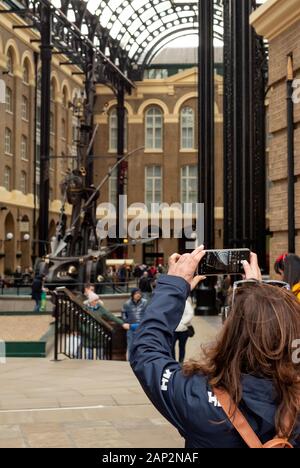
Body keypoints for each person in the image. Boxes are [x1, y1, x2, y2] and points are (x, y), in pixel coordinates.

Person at [130, 247, 300, 448]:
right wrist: (255, 296)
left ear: (230, 333)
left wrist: (173, 288)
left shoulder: (195, 396)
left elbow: (146, 351)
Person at [122, 288, 148, 360]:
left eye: (139, 293)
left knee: (142, 345)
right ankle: (130, 361)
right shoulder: (127, 304)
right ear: (133, 294)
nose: (138, 295)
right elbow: (124, 314)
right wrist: (126, 322)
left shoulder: (145, 302)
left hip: (142, 327)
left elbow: (148, 313)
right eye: (136, 293)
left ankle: (142, 360)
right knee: (130, 346)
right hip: (131, 327)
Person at [172, 296, 194, 364]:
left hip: (183, 330)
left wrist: (182, 322)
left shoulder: (186, 303)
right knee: (171, 347)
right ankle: (173, 361)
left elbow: (190, 314)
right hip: (173, 330)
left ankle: (181, 362)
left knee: (182, 346)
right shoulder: (171, 303)